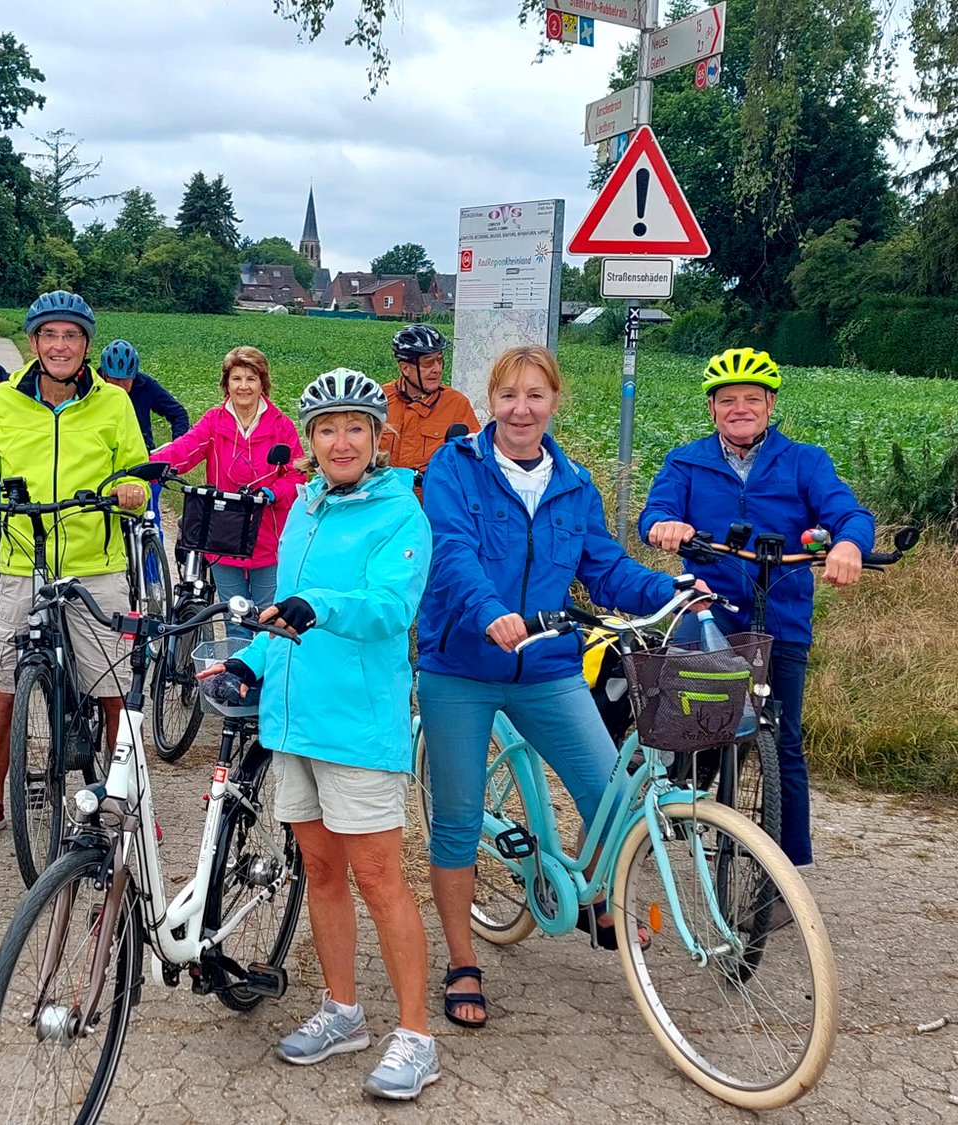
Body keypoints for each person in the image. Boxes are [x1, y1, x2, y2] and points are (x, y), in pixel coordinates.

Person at [417, 345, 699, 1027]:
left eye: (535, 395)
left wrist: (674, 589)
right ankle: (462, 960)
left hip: (548, 666)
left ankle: (593, 896)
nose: (521, 409)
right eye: (508, 395)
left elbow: (605, 569)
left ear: (554, 401)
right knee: (456, 822)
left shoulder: (573, 482)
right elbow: (451, 550)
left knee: (611, 792)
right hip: (461, 664)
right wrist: (489, 613)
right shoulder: (454, 467)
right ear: (490, 400)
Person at [198, 369, 437, 1100]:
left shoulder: (401, 515)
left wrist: (317, 604)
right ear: (309, 440)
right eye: (327, 428)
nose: (340, 440)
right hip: (294, 723)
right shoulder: (303, 507)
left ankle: (417, 1034)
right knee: (322, 872)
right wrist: (247, 656)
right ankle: (343, 1010)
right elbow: (284, 620)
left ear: (376, 438)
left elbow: (387, 609)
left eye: (354, 428)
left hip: (359, 726)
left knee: (379, 876)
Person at [639, 347, 871, 869]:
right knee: (693, 728)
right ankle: (665, 814)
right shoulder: (687, 461)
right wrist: (664, 525)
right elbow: (655, 512)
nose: (739, 407)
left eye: (751, 398)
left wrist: (848, 544)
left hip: (782, 613)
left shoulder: (804, 462)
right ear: (712, 409)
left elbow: (847, 511)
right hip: (709, 609)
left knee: (783, 740)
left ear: (770, 405)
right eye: (727, 400)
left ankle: (789, 868)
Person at [0, 291, 150, 846]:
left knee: (112, 689)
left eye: (71, 336)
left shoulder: (113, 404)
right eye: (50, 335)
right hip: (23, 559)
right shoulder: (4, 401)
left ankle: (126, 799)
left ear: (85, 346)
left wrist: (132, 486)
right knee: (7, 685)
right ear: (33, 343)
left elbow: (138, 468)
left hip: (93, 562)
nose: (60, 345)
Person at [149, 346, 304, 639]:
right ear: (227, 383)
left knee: (267, 617)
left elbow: (297, 475)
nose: (243, 386)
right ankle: (237, 682)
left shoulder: (280, 426)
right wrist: (147, 464)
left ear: (262, 384)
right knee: (235, 617)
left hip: (268, 535)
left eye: (251, 379)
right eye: (236, 379)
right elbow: (185, 448)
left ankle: (263, 682)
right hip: (224, 535)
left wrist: (274, 492)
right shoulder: (214, 421)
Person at [379, 324, 477, 478]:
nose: (437, 369)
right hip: (385, 497)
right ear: (405, 368)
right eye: (428, 362)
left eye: (439, 360)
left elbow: (473, 461)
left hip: (433, 498)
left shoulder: (457, 404)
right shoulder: (379, 399)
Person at [98, 339, 192, 451]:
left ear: (134, 376)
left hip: (140, 451)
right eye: (114, 379)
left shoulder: (145, 384)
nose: (119, 385)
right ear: (104, 374)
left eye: (125, 380)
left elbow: (178, 414)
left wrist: (177, 446)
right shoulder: (91, 385)